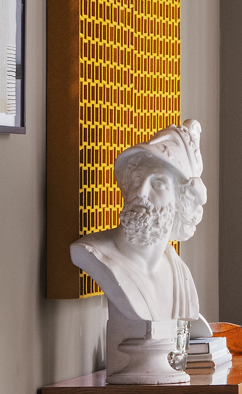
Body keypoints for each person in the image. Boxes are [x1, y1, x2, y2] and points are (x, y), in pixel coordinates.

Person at [70, 119, 223, 377]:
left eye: (158, 183)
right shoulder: (94, 252)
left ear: (181, 201)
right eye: (137, 180)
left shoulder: (180, 274)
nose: (141, 192)